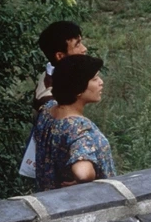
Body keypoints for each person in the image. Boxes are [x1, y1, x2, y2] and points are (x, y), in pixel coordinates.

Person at [32, 55, 115, 191]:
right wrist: (87, 178)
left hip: (50, 198)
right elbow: (83, 173)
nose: (101, 82)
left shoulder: (47, 111)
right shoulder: (78, 128)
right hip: (87, 201)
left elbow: (42, 97)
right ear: (78, 89)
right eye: (95, 79)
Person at [32, 21, 87, 111]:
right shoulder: (50, 98)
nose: (84, 49)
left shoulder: (63, 76)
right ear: (60, 56)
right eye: (77, 45)